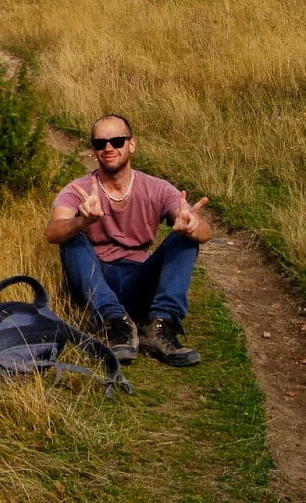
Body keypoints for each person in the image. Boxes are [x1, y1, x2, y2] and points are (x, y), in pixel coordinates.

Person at [45, 114, 211, 366]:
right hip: (97, 281)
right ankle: (115, 323)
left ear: (131, 144)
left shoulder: (157, 188)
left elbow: (205, 233)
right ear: (94, 149)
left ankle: (161, 326)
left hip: (139, 279)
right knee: (71, 239)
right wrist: (82, 221)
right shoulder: (79, 189)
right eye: (100, 143)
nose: (108, 148)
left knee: (185, 238)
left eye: (117, 141)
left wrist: (191, 224)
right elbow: (52, 232)